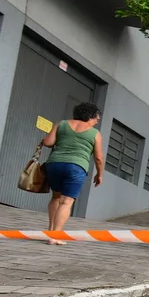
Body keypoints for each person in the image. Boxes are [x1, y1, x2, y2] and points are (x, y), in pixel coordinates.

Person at [39, 102, 104, 244]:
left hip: (54, 164)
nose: (97, 121)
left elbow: (49, 142)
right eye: (96, 119)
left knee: (56, 197)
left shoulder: (61, 124)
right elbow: (98, 157)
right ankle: (55, 236)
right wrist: (99, 174)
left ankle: (51, 231)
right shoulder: (95, 133)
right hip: (76, 167)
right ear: (90, 116)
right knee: (66, 202)